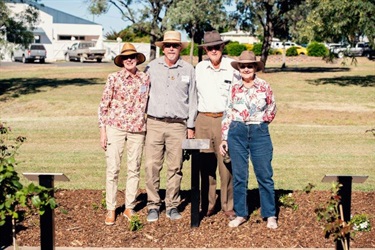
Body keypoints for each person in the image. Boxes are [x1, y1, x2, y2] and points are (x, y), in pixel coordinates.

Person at [219, 50, 278, 229]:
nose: (246, 69)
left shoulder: (264, 86)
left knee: (264, 174)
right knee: (239, 175)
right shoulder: (234, 87)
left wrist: (260, 122)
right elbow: (228, 111)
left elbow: (272, 108)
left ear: (255, 68)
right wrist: (224, 138)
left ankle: (270, 214)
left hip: (259, 131)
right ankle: (241, 213)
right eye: (242, 66)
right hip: (237, 131)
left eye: (249, 66)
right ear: (239, 68)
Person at [144, 30, 197, 222]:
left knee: (175, 167)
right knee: (151, 166)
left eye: (175, 46)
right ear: (163, 48)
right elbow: (142, 95)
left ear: (180, 48)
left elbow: (193, 99)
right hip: (155, 123)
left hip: (178, 126)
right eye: (168, 46)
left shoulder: (188, 69)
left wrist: (190, 126)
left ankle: (172, 205)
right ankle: (153, 205)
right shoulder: (151, 68)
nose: (171, 49)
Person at [98, 43, 150, 225]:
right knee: (113, 168)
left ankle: (130, 206)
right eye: (126, 57)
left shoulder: (145, 78)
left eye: (132, 57)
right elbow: (104, 105)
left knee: (134, 168)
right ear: (121, 61)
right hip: (115, 127)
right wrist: (102, 131)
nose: (129, 60)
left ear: (137, 59)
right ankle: (111, 208)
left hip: (137, 128)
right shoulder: (113, 78)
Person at [195, 30, 240, 220]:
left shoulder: (233, 67)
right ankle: (208, 203)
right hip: (203, 119)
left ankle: (228, 205)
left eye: (217, 47)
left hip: (225, 119)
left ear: (222, 47)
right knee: (205, 165)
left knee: (226, 164)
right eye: (209, 47)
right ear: (205, 49)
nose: (213, 50)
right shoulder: (199, 68)